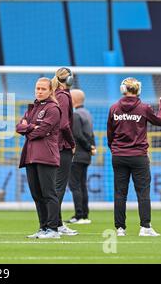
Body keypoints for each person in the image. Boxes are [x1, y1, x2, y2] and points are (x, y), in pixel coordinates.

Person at [107, 77, 161, 237]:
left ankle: (120, 229)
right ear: (138, 90)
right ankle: (145, 227)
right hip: (138, 156)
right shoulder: (144, 108)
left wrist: (114, 149)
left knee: (120, 193)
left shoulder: (114, 108)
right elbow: (159, 121)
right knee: (143, 192)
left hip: (118, 155)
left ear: (123, 89)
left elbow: (109, 133)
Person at [16, 77, 62, 239]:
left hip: (46, 156)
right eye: (37, 88)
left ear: (50, 91)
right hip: (30, 155)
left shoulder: (53, 109)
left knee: (49, 193)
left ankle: (53, 229)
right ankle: (43, 227)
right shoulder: (32, 107)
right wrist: (30, 127)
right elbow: (18, 127)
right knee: (37, 194)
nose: (39, 91)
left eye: (43, 89)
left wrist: (29, 129)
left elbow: (40, 132)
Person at [51, 67, 78, 236]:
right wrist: (72, 142)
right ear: (68, 80)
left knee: (55, 186)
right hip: (62, 146)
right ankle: (53, 224)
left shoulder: (55, 94)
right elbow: (64, 125)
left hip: (54, 145)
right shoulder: (64, 96)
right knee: (59, 187)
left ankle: (57, 223)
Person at [66, 89, 96, 225]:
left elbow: (77, 134)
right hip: (86, 156)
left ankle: (79, 215)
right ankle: (84, 214)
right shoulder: (88, 114)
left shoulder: (76, 115)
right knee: (82, 185)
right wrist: (92, 147)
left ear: (73, 100)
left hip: (77, 154)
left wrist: (88, 146)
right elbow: (91, 134)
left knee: (75, 185)